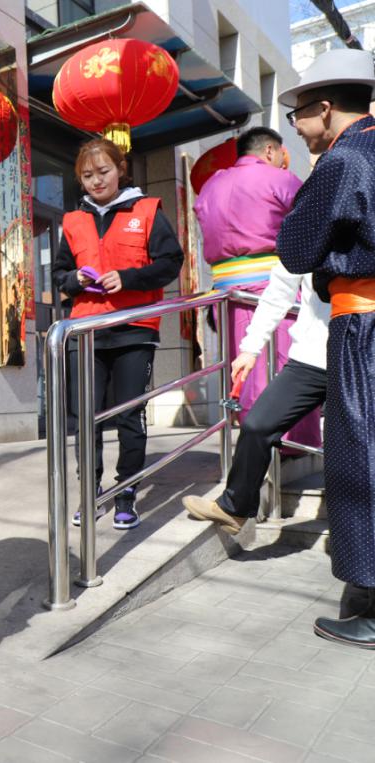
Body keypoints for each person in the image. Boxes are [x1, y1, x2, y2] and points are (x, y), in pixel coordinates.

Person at [274, 48, 375, 648]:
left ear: (326, 108)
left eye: (299, 115)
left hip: (364, 324)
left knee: (360, 455)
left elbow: (294, 248)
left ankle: (373, 604)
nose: (297, 128)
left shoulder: (343, 160)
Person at [52, 138, 184, 530]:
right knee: (86, 418)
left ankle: (126, 493)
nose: (96, 181)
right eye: (87, 175)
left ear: (120, 170)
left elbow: (170, 262)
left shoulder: (147, 210)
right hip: (86, 331)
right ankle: (89, 493)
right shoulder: (72, 221)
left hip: (134, 330)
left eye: (103, 172)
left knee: (129, 416)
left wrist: (127, 278)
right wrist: (75, 279)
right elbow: (59, 273)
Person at [193, 127, 321, 449]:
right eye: (280, 154)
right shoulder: (281, 179)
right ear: (269, 151)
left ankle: (252, 442)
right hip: (274, 287)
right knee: (285, 367)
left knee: (243, 367)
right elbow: (311, 224)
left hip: (226, 292)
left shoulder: (211, 185)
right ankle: (287, 445)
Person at [183, 262, 329, 530]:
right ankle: (234, 508)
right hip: (311, 357)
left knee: (353, 445)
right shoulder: (305, 236)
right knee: (258, 424)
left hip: (363, 355)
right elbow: (279, 292)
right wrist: (250, 348)